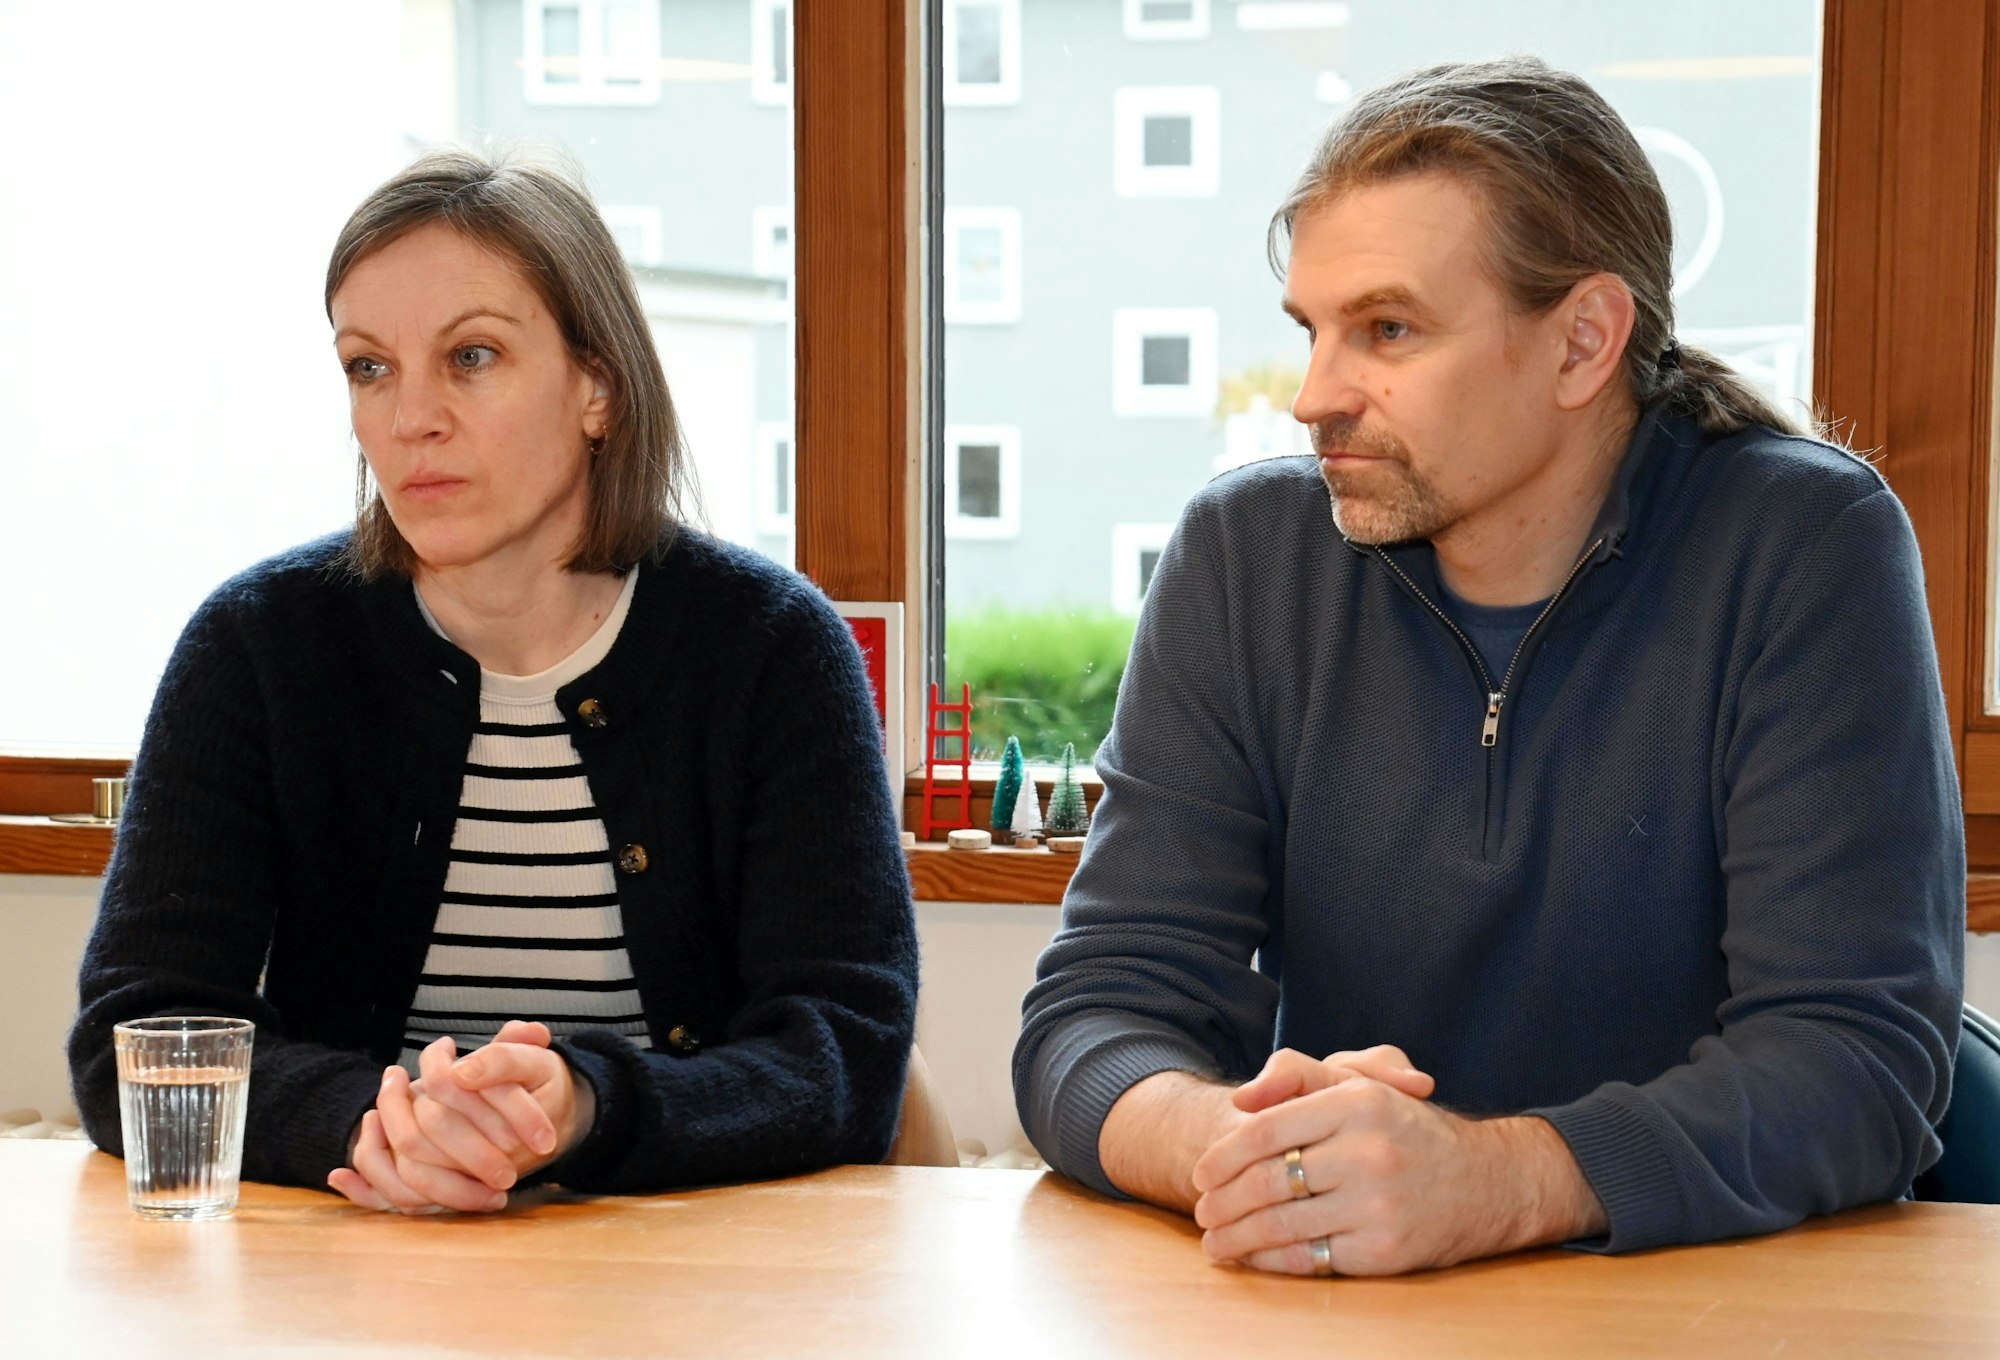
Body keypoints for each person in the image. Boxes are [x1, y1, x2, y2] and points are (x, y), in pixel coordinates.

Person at [1013, 57, 1965, 1277]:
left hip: (1708, 1301)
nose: (1311, 397)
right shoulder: (1243, 557)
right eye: (1310, 332)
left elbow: (1855, 1060)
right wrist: (1247, 1150)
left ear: (1581, 342)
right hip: (1348, 1310)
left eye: (1387, 330)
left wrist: (1495, 1180)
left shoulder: (1805, 546)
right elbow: (1093, 1018)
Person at [69, 149, 919, 1213]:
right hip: (349, 1261)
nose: (409, 418)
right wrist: (375, 1125)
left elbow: (845, 1051)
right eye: (369, 367)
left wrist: (586, 1107)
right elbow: (135, 1038)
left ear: (598, 386)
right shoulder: (256, 645)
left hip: (680, 1266)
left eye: (471, 356)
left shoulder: (772, 647)